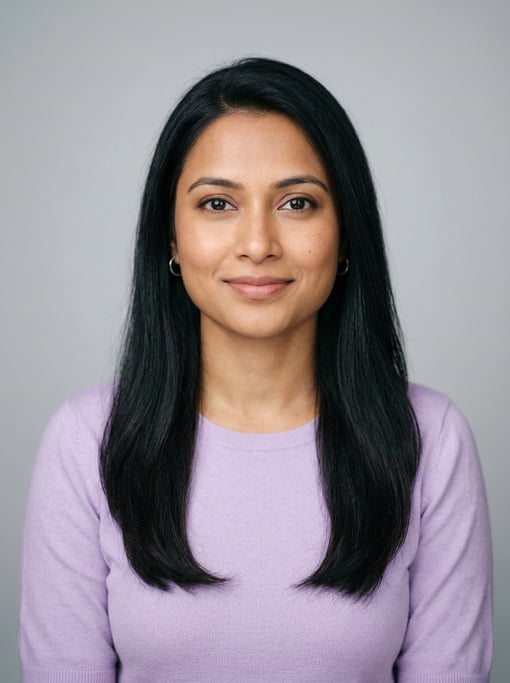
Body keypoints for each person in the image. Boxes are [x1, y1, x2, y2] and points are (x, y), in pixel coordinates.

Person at [19, 58, 493, 682]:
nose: (258, 243)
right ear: (170, 238)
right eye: (217, 203)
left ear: (345, 233)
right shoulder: (86, 440)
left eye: (297, 203)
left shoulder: (432, 438)